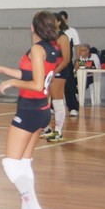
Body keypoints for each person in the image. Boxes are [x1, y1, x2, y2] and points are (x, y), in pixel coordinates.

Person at [0, 10, 59, 209]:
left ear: (34, 27)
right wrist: (2, 69)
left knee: (10, 164)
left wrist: (12, 82)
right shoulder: (52, 48)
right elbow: (32, 74)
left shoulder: (37, 49)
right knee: (24, 163)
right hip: (42, 111)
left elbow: (35, 84)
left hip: (30, 110)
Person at [40, 13, 70, 143]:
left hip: (60, 71)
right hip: (49, 71)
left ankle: (58, 131)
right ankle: (47, 129)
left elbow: (66, 60)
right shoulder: (48, 37)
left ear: (58, 22)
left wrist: (53, 72)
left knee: (57, 100)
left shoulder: (63, 37)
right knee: (44, 100)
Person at [59, 11, 80, 117]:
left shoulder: (72, 31)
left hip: (67, 63)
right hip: (56, 63)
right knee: (55, 85)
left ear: (66, 19)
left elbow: (77, 47)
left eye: (63, 19)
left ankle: (73, 107)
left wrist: (78, 61)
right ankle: (52, 107)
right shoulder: (53, 32)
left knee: (69, 85)